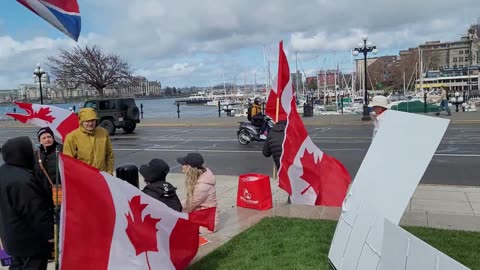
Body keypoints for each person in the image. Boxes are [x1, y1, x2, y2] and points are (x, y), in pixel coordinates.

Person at [0, 136, 54, 270]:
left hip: (11, 234)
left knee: (17, 265)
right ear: (21, 152)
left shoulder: (3, 171)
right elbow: (35, 211)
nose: (33, 151)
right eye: (30, 149)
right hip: (30, 241)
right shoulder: (23, 180)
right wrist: (49, 235)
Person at [177, 153, 219, 234]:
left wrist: (172, 207)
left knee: (173, 225)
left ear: (190, 168)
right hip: (203, 216)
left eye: (183, 164)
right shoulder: (202, 176)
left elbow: (190, 204)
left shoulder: (202, 186)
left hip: (207, 224)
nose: (182, 166)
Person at [63, 108, 114, 174]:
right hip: (83, 178)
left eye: (92, 120)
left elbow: (109, 155)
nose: (90, 123)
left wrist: (109, 172)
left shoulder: (103, 133)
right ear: (81, 122)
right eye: (87, 121)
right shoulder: (72, 137)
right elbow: (68, 161)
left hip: (102, 176)